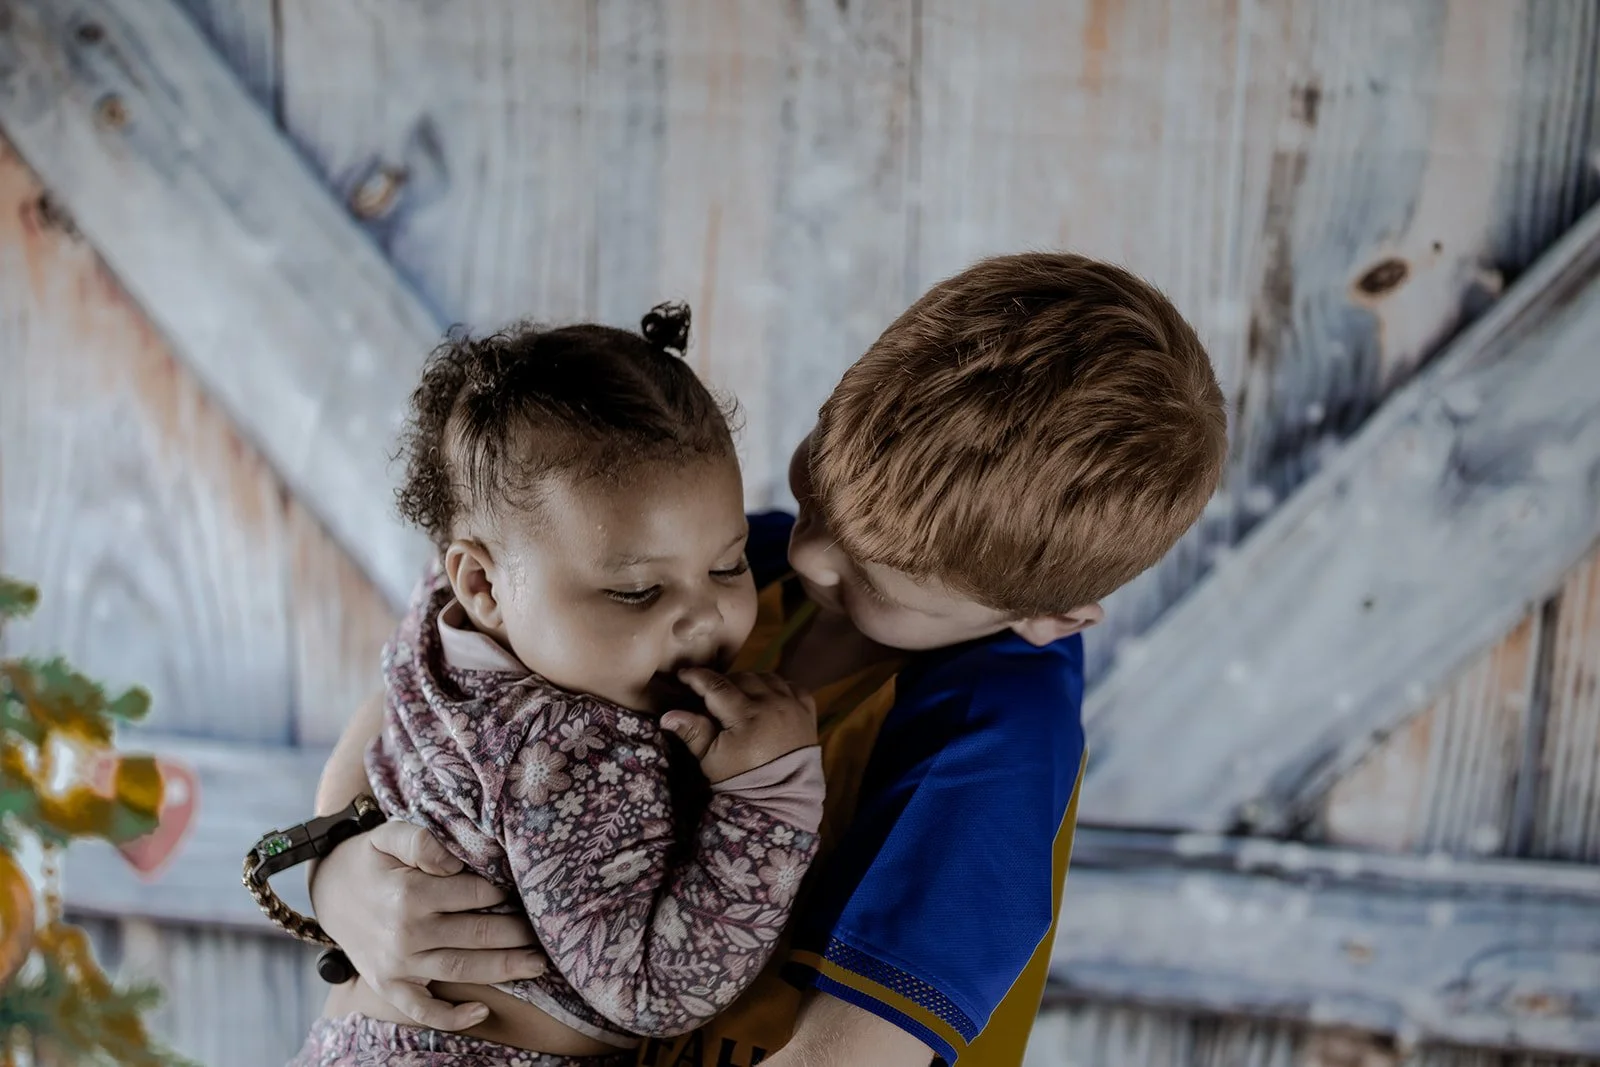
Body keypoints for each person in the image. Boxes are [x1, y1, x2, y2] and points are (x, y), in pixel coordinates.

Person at [307, 253, 1228, 1066]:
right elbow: (425, 678)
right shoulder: (719, 565)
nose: (811, 554)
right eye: (818, 478)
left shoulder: (996, 751)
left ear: (1049, 615)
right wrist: (332, 868)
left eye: (885, 578)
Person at [289, 304, 826, 1066]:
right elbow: (656, 989)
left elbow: (379, 720)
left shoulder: (437, 625)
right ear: (482, 581)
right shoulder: (572, 748)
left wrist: (326, 858)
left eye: (728, 564)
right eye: (638, 592)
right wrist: (770, 801)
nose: (705, 617)